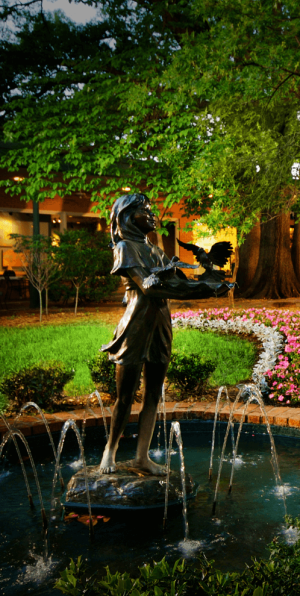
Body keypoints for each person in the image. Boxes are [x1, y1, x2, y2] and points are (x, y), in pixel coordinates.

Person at [99, 193, 233, 474]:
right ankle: (109, 452)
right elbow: (149, 287)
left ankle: (141, 457)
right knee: (125, 396)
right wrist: (203, 292)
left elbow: (176, 282)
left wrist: (207, 284)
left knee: (153, 395)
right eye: (143, 210)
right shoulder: (125, 247)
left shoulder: (156, 251)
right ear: (126, 215)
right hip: (136, 322)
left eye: (151, 209)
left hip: (160, 322)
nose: (151, 214)